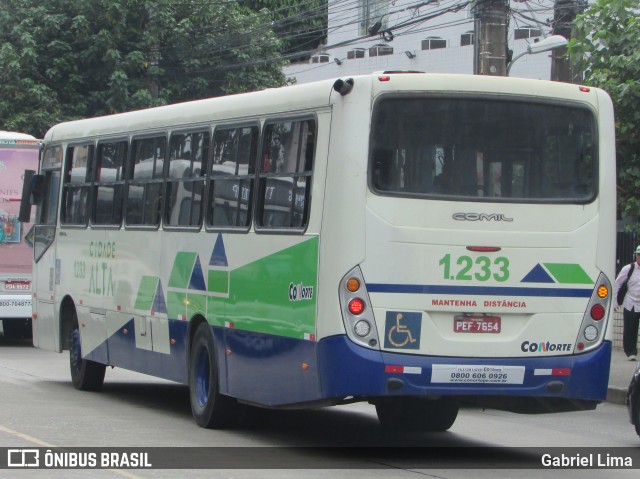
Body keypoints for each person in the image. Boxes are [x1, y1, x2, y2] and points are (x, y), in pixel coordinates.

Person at [614, 246, 640, 361]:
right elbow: (617, 284)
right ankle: (631, 352)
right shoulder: (629, 268)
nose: (639, 257)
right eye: (638, 255)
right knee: (630, 328)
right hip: (631, 302)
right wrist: (615, 301)